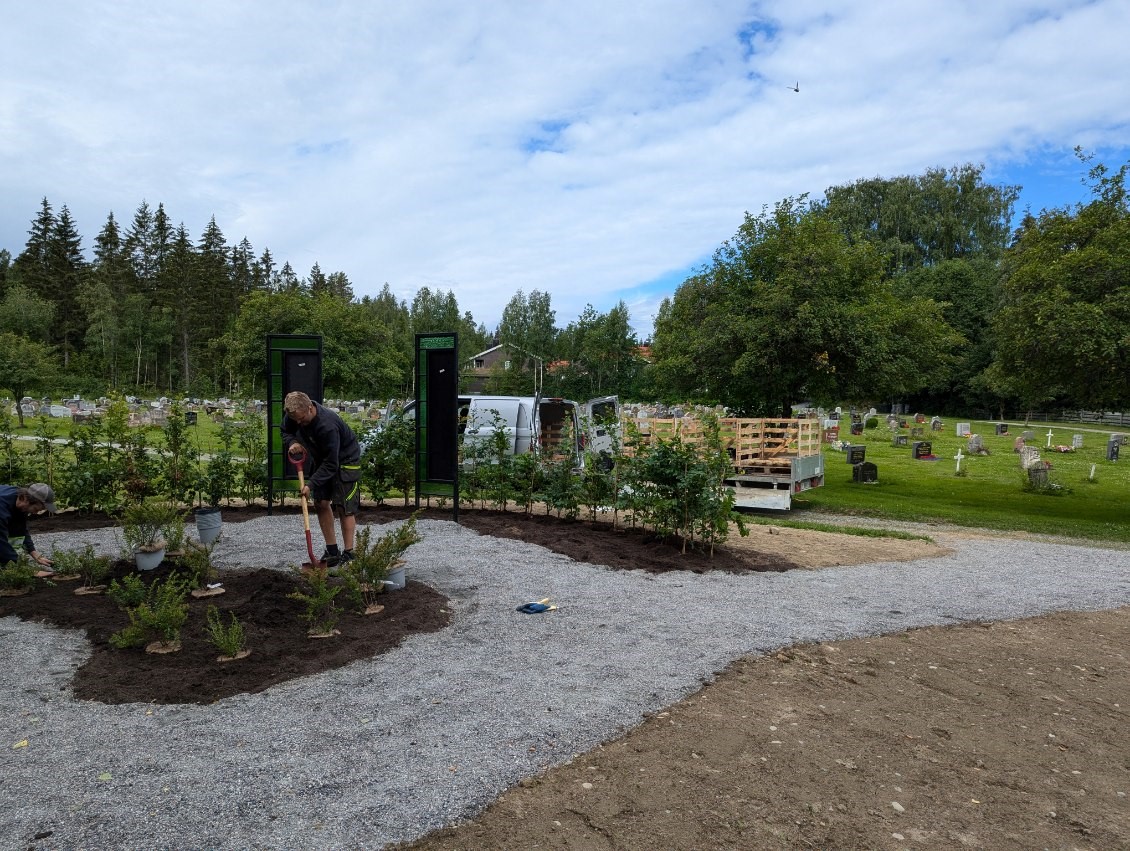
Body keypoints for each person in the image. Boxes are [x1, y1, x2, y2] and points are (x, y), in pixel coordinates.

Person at [280, 391, 362, 567]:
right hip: (322, 459)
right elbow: (285, 430)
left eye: (302, 420)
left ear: (310, 408)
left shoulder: (327, 425)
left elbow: (332, 464)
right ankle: (332, 551)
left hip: (345, 461)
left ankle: (349, 554)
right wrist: (292, 442)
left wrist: (310, 484)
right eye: (296, 421)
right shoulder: (294, 415)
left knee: (344, 507)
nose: (299, 424)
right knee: (321, 503)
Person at [0, 483, 58, 572]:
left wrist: (33, 552)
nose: (37, 512)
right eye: (36, 509)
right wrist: (27, 571)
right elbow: (1, 543)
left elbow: (20, 529)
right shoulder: (2, 508)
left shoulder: (19, 501)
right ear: (26, 499)